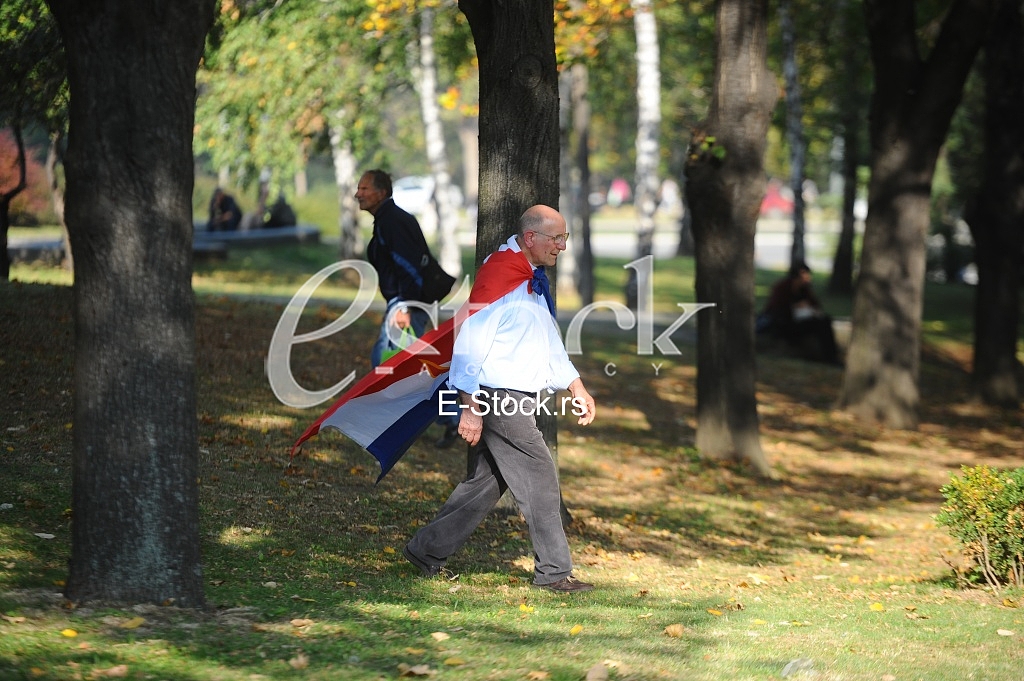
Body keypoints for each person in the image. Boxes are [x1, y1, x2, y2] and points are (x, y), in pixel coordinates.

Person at [402, 205, 598, 593]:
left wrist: (575, 385)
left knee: (484, 485)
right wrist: (469, 408)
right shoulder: (501, 275)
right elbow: (469, 346)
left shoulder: (530, 277)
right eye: (556, 238)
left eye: (565, 238)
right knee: (540, 477)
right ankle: (555, 573)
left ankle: (426, 550)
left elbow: (546, 342)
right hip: (497, 397)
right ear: (530, 238)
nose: (561, 246)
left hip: (513, 395)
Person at [356, 168, 459, 447]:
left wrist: (405, 305)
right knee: (411, 366)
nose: (358, 194)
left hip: (407, 304)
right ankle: (452, 418)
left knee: (389, 363)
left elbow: (409, 266)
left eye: (364, 189)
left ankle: (452, 418)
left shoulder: (393, 221)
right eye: (359, 189)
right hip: (405, 302)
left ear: (382, 192)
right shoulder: (386, 220)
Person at [758, 262, 840, 364]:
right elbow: (777, 309)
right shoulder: (782, 288)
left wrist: (809, 309)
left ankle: (830, 355)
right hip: (783, 324)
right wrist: (795, 307)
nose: (808, 279)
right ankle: (829, 357)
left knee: (824, 321)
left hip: (800, 321)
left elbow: (816, 305)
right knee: (820, 324)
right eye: (805, 276)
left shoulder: (804, 290)